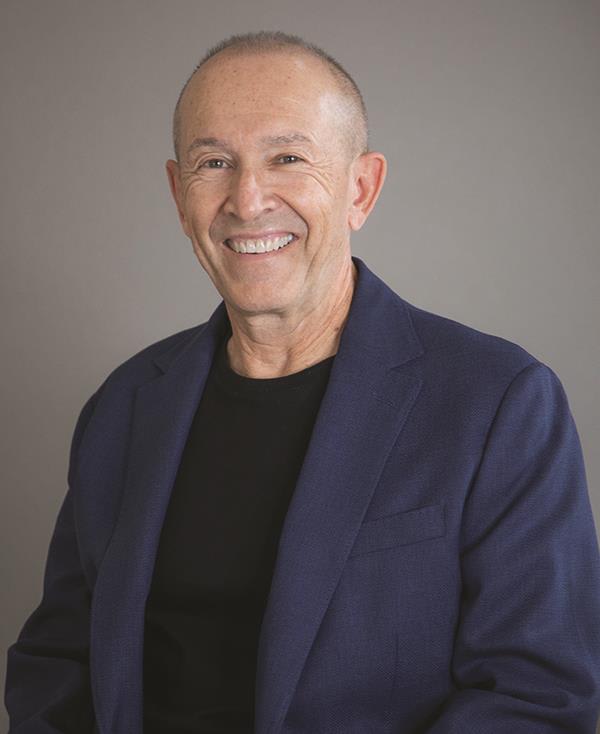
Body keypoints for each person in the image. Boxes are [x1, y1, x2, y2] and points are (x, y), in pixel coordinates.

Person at [5, 30, 600, 734]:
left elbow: (537, 695)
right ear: (178, 195)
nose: (247, 199)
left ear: (361, 189)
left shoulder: (499, 403)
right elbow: (57, 664)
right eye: (214, 162)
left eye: (287, 158)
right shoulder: (124, 405)